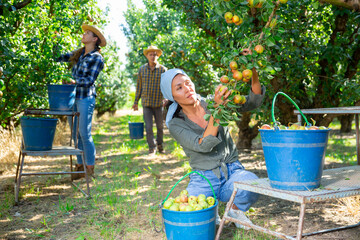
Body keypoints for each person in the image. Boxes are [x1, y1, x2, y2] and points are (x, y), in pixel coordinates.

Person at [160, 54, 265, 228]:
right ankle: (212, 209)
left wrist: (251, 68)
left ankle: (234, 209)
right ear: (172, 97)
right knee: (191, 212)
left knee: (253, 184)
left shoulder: (211, 102)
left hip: (232, 170)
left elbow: (253, 102)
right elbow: (203, 144)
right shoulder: (176, 124)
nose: (187, 88)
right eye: (179, 88)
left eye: (187, 82)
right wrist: (218, 110)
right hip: (204, 177)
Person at [55, 24, 106, 180]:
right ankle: (79, 166)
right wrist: (54, 40)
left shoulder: (96, 58)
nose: (83, 35)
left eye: (87, 33)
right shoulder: (79, 54)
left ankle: (89, 167)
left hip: (85, 97)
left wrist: (73, 82)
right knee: (75, 135)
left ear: (94, 39)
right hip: (73, 98)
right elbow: (58, 57)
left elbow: (90, 80)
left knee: (84, 132)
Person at [132, 46, 167, 155]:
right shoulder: (142, 69)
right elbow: (139, 86)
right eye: (150, 54)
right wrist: (135, 102)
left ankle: (160, 145)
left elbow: (166, 86)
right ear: (147, 56)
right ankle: (152, 147)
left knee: (160, 126)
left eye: (155, 55)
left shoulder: (163, 70)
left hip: (158, 103)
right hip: (146, 103)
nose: (153, 57)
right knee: (148, 127)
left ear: (157, 56)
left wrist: (166, 98)